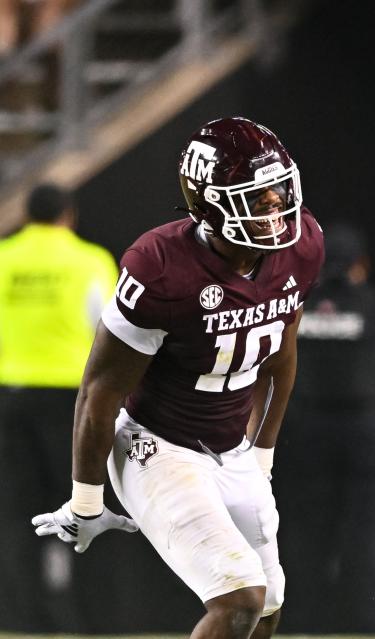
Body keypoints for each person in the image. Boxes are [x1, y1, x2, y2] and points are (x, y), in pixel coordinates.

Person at [30, 116, 325, 638]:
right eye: (258, 198)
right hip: (157, 445)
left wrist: (261, 457)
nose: (277, 207)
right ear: (212, 203)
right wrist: (86, 499)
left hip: (232, 448)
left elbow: (281, 351)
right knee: (239, 599)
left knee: (268, 607)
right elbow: (100, 390)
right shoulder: (160, 266)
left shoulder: (301, 248)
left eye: (279, 191)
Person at [275, 221, 375, 633]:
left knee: (304, 539)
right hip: (370, 435)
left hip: (305, 434)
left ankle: (302, 628)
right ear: (362, 264)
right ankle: (371, 630)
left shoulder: (292, 310)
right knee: (370, 539)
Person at [0, 183, 117, 632]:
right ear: (68, 215)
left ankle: (22, 620)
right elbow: (107, 331)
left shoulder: (6, 259)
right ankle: (88, 620)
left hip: (13, 396)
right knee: (84, 506)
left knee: (17, 515)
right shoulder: (89, 261)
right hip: (73, 403)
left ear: (26, 216)